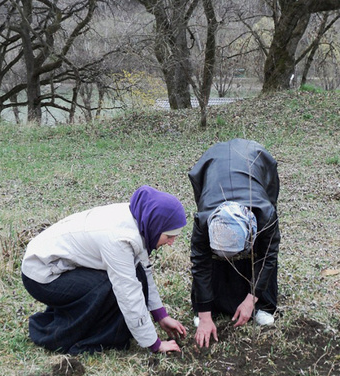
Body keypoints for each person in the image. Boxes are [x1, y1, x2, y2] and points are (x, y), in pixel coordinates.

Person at [21, 185, 188, 355]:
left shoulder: (140, 219)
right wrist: (155, 344)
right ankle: (58, 335)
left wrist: (161, 316)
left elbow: (145, 270)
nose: (171, 243)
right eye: (169, 236)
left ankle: (97, 325)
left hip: (62, 266)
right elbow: (128, 293)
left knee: (136, 274)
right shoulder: (119, 238)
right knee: (107, 288)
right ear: (156, 225)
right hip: (42, 275)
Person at [188, 138, 280, 348]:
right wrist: (203, 315)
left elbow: (268, 257)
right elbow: (200, 265)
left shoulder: (266, 216)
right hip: (213, 166)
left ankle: (263, 305)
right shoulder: (204, 221)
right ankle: (211, 305)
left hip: (256, 161)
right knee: (212, 258)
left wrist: (252, 299)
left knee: (261, 252)